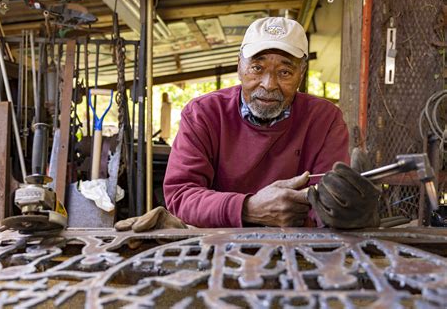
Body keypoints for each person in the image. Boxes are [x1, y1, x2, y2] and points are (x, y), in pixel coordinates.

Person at [115, 17, 380, 232]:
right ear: (239, 67)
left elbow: (326, 199)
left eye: (285, 72)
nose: (269, 84)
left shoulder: (325, 119)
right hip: (216, 248)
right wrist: (248, 207)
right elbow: (181, 195)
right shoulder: (203, 113)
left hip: (297, 251)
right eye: (257, 67)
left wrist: (344, 209)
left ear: (301, 74)